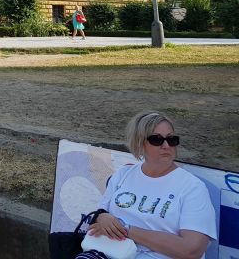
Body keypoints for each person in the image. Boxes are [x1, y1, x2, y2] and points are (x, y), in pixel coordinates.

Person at [80, 110, 216, 259]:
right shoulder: (123, 174)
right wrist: (103, 218)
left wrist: (129, 231)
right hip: (109, 252)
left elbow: (191, 251)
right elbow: (101, 212)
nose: (166, 145)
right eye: (156, 140)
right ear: (139, 143)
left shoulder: (192, 187)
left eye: (172, 139)